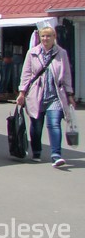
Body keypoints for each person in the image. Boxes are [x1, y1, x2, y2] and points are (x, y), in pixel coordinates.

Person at [16, 26, 76, 167]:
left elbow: (66, 75)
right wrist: (22, 93)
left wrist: (70, 94)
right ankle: (36, 151)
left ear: (54, 37)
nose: (45, 39)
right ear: (40, 37)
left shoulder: (61, 53)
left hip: (55, 96)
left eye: (48, 36)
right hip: (36, 95)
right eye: (43, 36)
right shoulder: (32, 53)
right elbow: (26, 74)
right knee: (36, 127)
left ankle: (56, 155)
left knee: (54, 124)